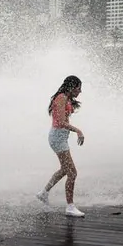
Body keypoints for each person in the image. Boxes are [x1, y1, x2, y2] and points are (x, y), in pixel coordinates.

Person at [36, 75, 85, 217]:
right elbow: (61, 122)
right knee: (72, 172)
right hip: (57, 137)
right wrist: (78, 131)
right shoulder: (61, 98)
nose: (80, 91)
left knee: (65, 169)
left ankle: (43, 193)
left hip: (61, 136)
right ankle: (70, 207)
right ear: (71, 87)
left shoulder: (66, 98)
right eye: (78, 88)